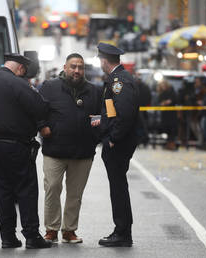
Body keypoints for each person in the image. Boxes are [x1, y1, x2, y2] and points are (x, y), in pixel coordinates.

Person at [0, 53, 52, 249]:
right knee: (26, 190)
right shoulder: (18, 84)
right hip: (17, 145)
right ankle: (32, 236)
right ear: (20, 69)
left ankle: (8, 237)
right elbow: (40, 107)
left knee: (3, 191)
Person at [38, 53, 102, 244]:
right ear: (65, 68)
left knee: (75, 194)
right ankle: (51, 229)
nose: (76, 70)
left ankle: (69, 231)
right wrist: (42, 127)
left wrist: (95, 137)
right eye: (73, 66)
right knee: (52, 189)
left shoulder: (94, 91)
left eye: (80, 67)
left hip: (82, 152)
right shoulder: (50, 87)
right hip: (54, 150)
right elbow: (37, 110)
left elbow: (100, 116)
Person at [96, 42, 140, 247]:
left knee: (118, 188)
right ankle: (121, 230)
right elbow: (113, 111)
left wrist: (113, 138)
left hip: (118, 143)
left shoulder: (119, 81)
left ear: (105, 60)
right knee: (118, 187)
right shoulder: (117, 78)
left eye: (100, 60)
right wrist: (103, 120)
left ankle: (122, 232)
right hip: (117, 141)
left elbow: (125, 114)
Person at [157, 80, 178, 150]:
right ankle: (168, 144)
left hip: (171, 114)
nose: (163, 86)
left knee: (172, 129)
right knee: (166, 129)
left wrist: (169, 101)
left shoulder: (171, 91)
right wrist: (163, 103)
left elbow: (174, 99)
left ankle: (172, 144)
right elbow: (159, 102)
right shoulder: (161, 93)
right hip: (165, 114)